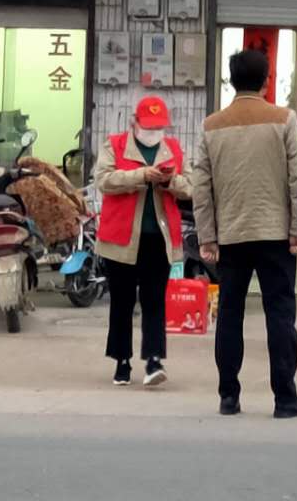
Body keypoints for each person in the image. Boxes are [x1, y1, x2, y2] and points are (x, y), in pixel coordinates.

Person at [192, 49, 297, 420]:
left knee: (230, 314)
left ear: (231, 81)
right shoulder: (284, 119)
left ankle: (229, 395)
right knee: (280, 315)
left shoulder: (212, 125)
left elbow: (201, 186)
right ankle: (285, 397)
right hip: (276, 234)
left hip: (230, 234)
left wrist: (207, 236)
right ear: (266, 80)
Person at [94, 95, 190, 388]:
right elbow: (104, 180)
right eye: (148, 127)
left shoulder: (172, 149)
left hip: (158, 238)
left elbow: (190, 188)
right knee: (121, 301)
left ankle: (154, 360)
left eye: (158, 127)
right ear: (134, 122)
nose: (153, 132)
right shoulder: (115, 145)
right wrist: (140, 175)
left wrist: (169, 181)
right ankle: (122, 361)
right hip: (121, 238)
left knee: (154, 300)